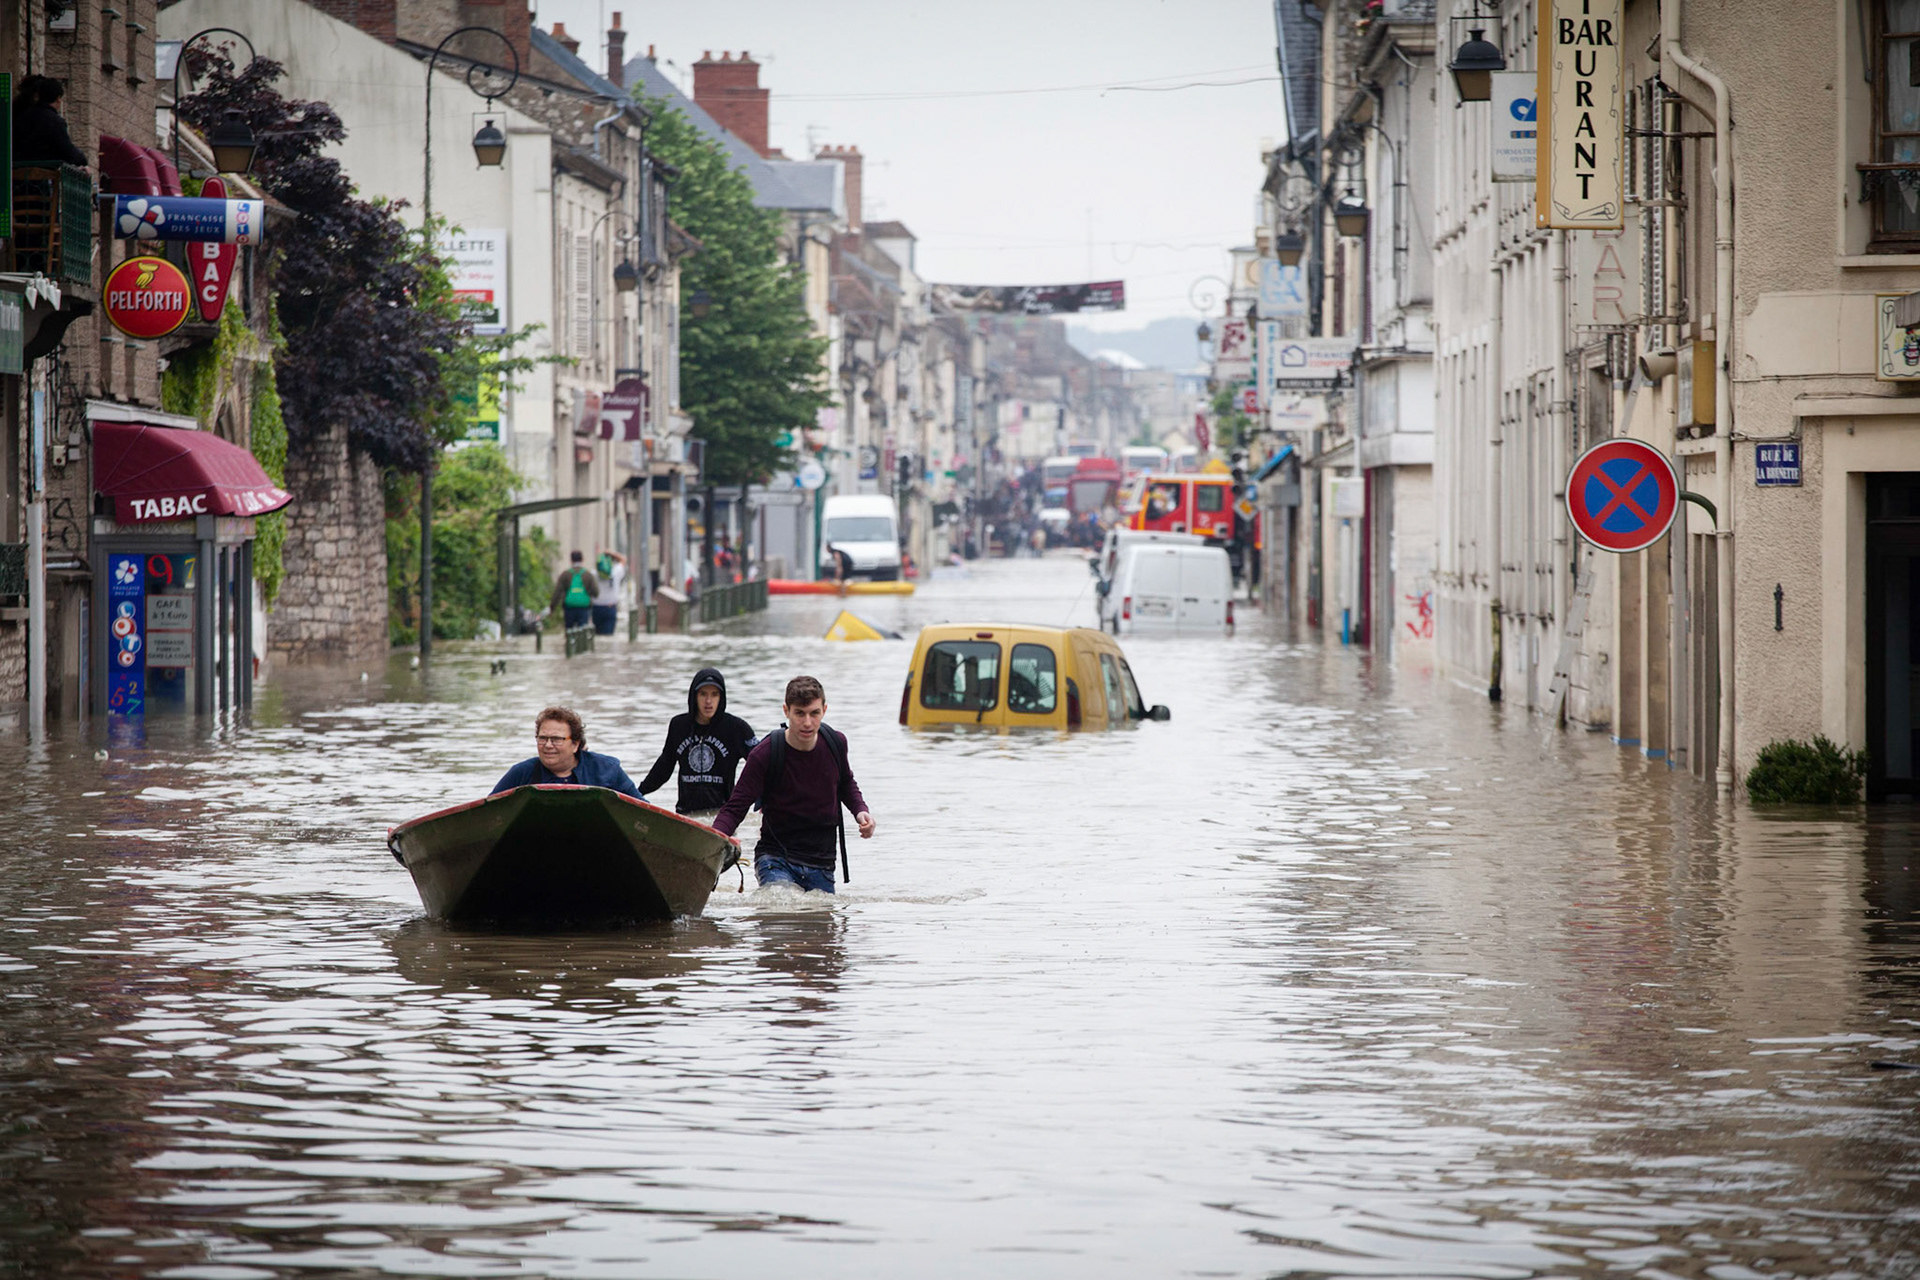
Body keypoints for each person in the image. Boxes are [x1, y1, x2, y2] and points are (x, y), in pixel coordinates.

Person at [712, 675, 875, 893]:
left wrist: (861, 811)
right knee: (782, 908)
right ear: (786, 711)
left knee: (818, 923)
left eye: (814, 713)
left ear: (824, 710)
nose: (807, 722)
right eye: (799, 713)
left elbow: (845, 782)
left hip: (822, 863)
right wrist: (709, 847)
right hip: (776, 858)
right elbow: (735, 808)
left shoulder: (836, 743)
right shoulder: (765, 754)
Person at [638, 668, 758, 818]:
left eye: (714, 694)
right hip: (686, 815)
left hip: (722, 816)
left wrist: (762, 798)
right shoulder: (679, 726)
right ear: (694, 696)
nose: (708, 701)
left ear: (722, 697)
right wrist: (637, 792)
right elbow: (664, 767)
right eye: (703, 694)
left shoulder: (736, 728)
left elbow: (759, 764)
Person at [492, 706, 639, 796]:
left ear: (575, 744)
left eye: (556, 739)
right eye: (542, 738)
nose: (548, 745)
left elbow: (643, 811)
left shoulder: (607, 769)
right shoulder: (521, 773)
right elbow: (488, 813)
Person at [12, 76, 88, 169]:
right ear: (58, 99)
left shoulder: (21, 117)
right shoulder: (55, 121)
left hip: (16, 174)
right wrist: (82, 159)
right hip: (42, 176)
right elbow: (67, 151)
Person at [550, 551, 598, 632]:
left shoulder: (565, 574)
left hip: (569, 608)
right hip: (584, 608)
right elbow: (596, 593)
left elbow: (557, 593)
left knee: (569, 631)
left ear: (571, 560)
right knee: (582, 632)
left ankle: (569, 643)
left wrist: (552, 608)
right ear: (582, 559)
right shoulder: (588, 575)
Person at [591, 551, 625, 637]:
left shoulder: (593, 574)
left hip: (596, 608)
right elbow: (623, 560)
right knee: (608, 636)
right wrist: (611, 554)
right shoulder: (615, 572)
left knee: (597, 636)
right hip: (610, 608)